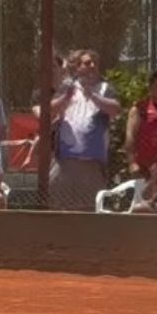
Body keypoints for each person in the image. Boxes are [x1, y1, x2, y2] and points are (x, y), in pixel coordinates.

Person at [49, 49, 122, 210]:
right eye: (87, 63)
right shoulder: (67, 87)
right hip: (65, 161)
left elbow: (116, 109)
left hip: (92, 163)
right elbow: (50, 111)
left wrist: (94, 96)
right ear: (77, 68)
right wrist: (66, 97)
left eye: (95, 63)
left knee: (88, 210)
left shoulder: (105, 88)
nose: (93, 66)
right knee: (59, 209)